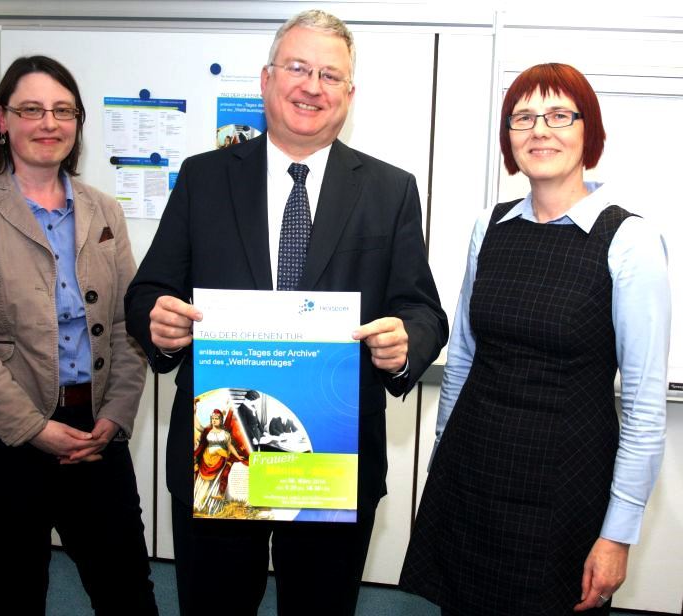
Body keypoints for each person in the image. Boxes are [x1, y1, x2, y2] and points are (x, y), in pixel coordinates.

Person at [124, 9, 448, 616]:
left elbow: (422, 307)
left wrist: (408, 340)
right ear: (268, 79)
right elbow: (148, 290)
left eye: (330, 75)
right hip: (219, 450)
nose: (312, 86)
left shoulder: (389, 189)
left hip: (331, 453)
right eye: (298, 68)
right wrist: (159, 326)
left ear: (349, 94)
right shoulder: (203, 178)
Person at [399, 63, 670, 616]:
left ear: (587, 132)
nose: (539, 130)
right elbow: (465, 360)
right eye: (523, 117)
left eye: (558, 115)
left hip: (565, 488)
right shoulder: (488, 227)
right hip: (472, 474)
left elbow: (644, 405)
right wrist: (440, 461)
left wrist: (618, 534)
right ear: (508, 139)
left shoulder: (630, 240)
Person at [0, 55, 158, 616]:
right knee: (14, 591)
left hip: (94, 436)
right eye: (31, 109)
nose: (47, 122)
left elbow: (128, 322)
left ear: (77, 123)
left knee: (128, 588)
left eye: (62, 110)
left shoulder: (103, 209)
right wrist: (32, 429)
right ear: (3, 120)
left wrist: (117, 416)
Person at [193, 409, 245, 515]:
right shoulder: (207, 431)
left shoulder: (225, 434)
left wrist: (237, 456)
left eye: (216, 419)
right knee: (203, 483)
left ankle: (211, 506)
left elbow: (230, 446)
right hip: (206, 460)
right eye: (213, 418)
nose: (214, 420)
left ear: (221, 420)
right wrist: (193, 413)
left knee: (214, 484)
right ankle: (199, 504)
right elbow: (198, 426)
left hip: (219, 461)